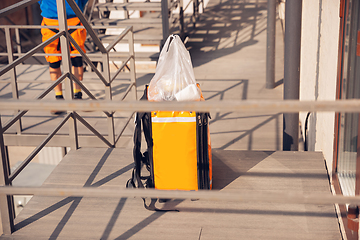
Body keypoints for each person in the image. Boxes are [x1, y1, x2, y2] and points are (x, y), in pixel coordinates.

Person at [38, 0, 88, 114]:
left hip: (73, 20)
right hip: (50, 21)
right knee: (53, 60)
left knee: (77, 59)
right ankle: (59, 98)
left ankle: (77, 96)